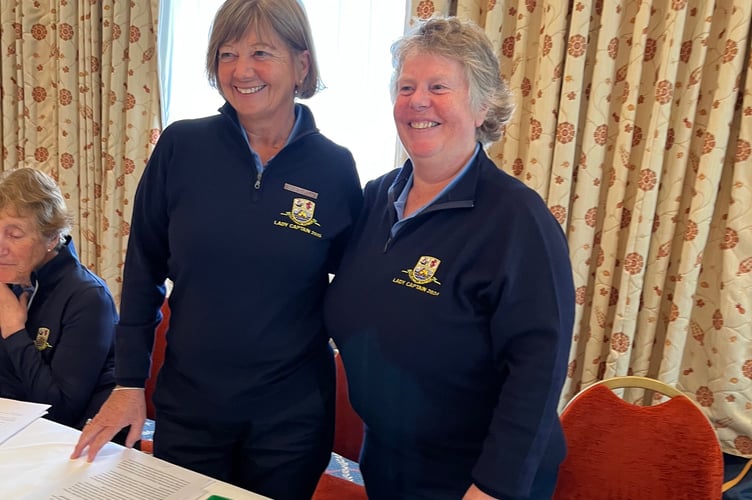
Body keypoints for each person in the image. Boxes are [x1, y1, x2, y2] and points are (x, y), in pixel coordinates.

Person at [71, 0, 363, 498]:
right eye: (227, 54)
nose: (241, 70)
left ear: (301, 64)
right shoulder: (181, 148)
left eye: (261, 52)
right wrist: (127, 384)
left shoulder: (335, 168)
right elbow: (143, 270)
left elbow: (357, 288)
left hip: (289, 421)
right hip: (191, 410)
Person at [323, 16, 575, 500]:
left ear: (482, 107)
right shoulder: (375, 199)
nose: (418, 101)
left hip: (476, 475)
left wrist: (493, 487)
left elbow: (537, 373)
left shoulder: (518, 220)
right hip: (388, 459)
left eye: (439, 86)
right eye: (407, 86)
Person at [0, 168, 117, 430]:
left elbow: (60, 411)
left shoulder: (88, 298)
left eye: (14, 234)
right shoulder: (10, 280)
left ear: (52, 237)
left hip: (66, 441)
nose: (0, 246)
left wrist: (14, 331)